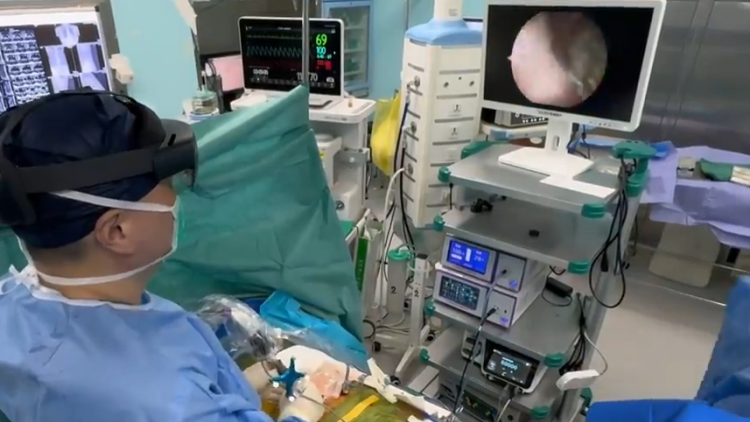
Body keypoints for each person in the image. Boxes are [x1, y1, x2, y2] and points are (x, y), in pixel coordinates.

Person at [0, 91, 326, 422]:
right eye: (169, 183)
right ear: (117, 230)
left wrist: (233, 389)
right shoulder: (166, 405)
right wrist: (299, 415)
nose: (175, 199)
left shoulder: (14, 307)